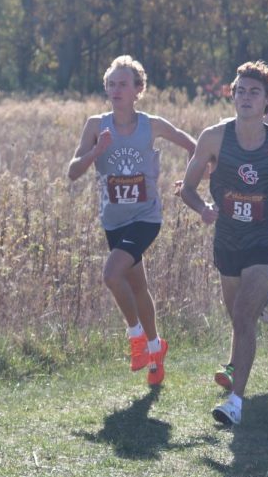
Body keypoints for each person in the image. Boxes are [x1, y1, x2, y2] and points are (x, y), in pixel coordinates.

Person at [179, 61, 268, 425]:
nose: (244, 97)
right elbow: (188, 188)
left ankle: (235, 402)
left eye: (253, 92)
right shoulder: (214, 137)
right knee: (240, 318)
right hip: (227, 238)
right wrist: (203, 209)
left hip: (264, 236)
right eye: (239, 90)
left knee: (243, 316)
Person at [67, 55, 196, 385]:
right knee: (138, 286)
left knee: (112, 274)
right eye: (110, 84)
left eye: (123, 84)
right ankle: (156, 350)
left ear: (139, 89)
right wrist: (97, 151)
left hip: (145, 216)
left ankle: (136, 338)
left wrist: (191, 181)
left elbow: (195, 146)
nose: (115, 90)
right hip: (113, 220)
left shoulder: (151, 124)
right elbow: (72, 172)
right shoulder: (96, 125)